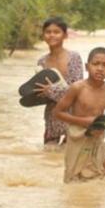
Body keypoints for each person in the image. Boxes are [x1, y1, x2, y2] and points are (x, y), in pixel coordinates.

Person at [53, 47, 105, 183]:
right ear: (86, 66)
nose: (100, 68)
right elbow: (58, 112)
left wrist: (103, 125)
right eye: (96, 64)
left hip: (97, 137)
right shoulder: (77, 88)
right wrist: (83, 121)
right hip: (77, 137)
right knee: (74, 180)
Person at [34, 17, 83, 145]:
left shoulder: (74, 57)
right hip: (52, 116)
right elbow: (41, 91)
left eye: (56, 32)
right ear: (43, 35)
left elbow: (77, 89)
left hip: (73, 116)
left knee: (69, 157)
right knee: (49, 157)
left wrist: (50, 90)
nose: (52, 35)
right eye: (48, 32)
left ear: (65, 35)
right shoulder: (42, 61)